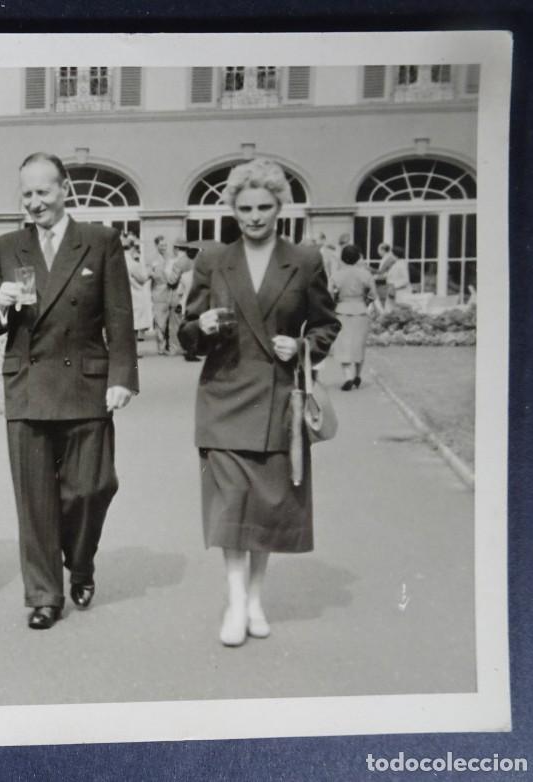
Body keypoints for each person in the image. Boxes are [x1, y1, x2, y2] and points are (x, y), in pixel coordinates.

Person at [177, 157, 339, 647]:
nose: (254, 217)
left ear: (279, 207)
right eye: (245, 208)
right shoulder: (212, 260)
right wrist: (201, 327)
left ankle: (254, 600)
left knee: (266, 505)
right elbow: (186, 333)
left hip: (277, 398)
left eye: (263, 207)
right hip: (223, 397)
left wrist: (303, 346)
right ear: (233, 209)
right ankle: (234, 601)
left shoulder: (304, 260)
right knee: (231, 505)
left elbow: (327, 324)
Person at [0, 152, 138, 630]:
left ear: (64, 189)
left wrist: (121, 377)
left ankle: (81, 560)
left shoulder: (100, 241)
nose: (34, 203)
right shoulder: (8, 246)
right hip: (28, 384)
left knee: (92, 487)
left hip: (85, 383)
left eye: (42, 192)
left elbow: (120, 316)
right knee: (34, 501)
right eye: (26, 194)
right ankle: (44, 595)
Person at [330, 244, 377, 390]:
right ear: (357, 258)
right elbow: (373, 294)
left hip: (342, 310)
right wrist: (364, 302)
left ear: (342, 258)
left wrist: (336, 302)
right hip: (360, 310)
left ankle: (347, 376)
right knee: (359, 344)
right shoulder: (365, 274)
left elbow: (330, 295)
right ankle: (357, 375)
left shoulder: (336, 275)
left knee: (343, 344)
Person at [148, 235, 183, 355]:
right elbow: (150, 276)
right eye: (161, 245)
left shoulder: (171, 258)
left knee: (169, 322)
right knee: (160, 322)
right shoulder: (152, 260)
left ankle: (168, 346)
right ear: (156, 245)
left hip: (170, 293)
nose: (163, 247)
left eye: (165, 245)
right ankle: (161, 347)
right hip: (158, 293)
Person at [123, 235, 152, 357]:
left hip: (124, 296)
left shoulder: (118, 261)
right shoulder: (132, 264)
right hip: (135, 296)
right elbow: (142, 278)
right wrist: (149, 272)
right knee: (134, 327)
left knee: (126, 327)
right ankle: (133, 352)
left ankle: (126, 351)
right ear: (132, 248)